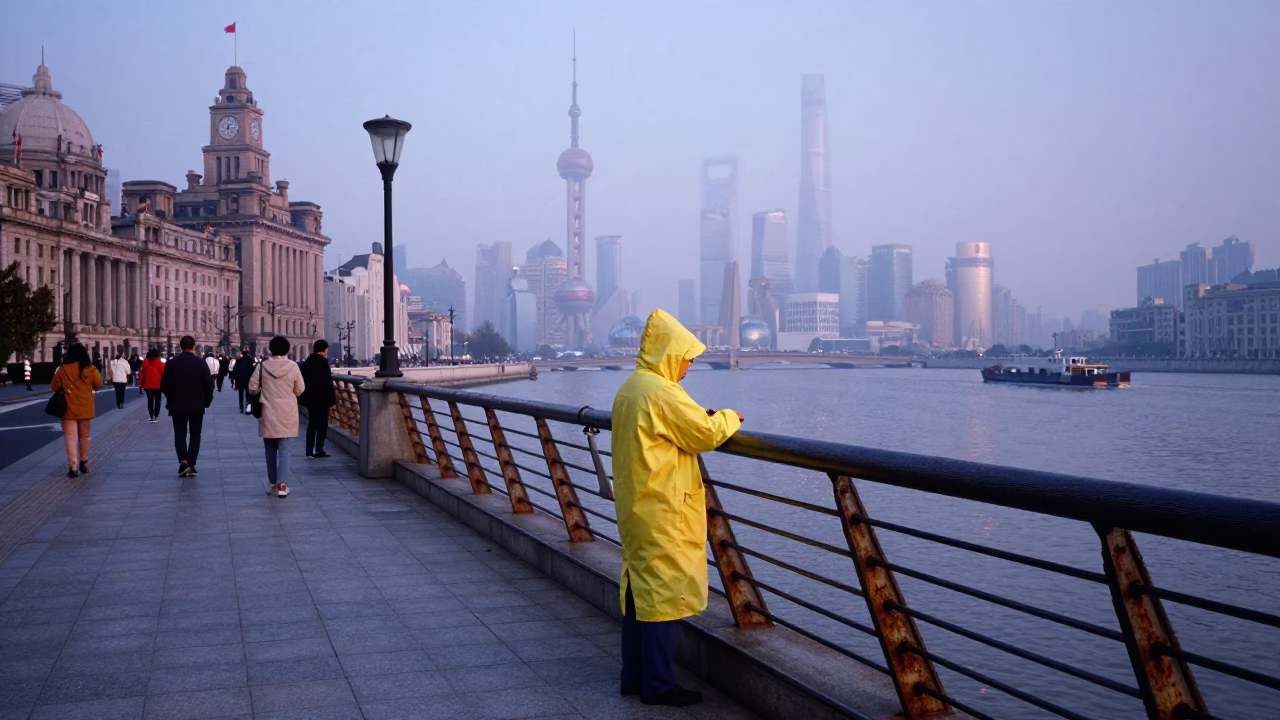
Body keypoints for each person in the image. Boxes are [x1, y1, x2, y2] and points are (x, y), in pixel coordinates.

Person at [610, 310, 743, 707]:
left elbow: (671, 426)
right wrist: (728, 418)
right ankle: (658, 684)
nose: (688, 366)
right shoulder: (661, 392)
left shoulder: (632, 388)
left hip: (638, 505)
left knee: (640, 594)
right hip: (664, 508)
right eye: (686, 358)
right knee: (664, 600)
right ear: (669, 354)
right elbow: (703, 434)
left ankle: (633, 676)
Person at [250, 335, 305, 497]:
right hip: (287, 412)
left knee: (270, 450)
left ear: (271, 350)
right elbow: (300, 389)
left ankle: (273, 484)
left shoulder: (262, 366)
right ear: (287, 349)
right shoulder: (293, 366)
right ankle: (282, 486)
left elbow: (252, 387)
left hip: (268, 411)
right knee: (285, 451)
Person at [161, 335, 215, 477]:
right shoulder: (200, 363)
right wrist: (206, 401)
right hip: (197, 405)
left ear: (180, 346)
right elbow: (209, 385)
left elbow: (164, 385)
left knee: (180, 434)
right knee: (195, 435)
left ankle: (183, 461)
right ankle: (191, 463)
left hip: (177, 405)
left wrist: (171, 398)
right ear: (194, 346)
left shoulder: (172, 363)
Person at [49, 343, 103, 478]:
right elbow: (99, 384)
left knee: (70, 437)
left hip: (68, 408)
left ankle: (72, 467)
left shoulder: (63, 369)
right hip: (85, 407)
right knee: (84, 436)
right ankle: (83, 462)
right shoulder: (90, 369)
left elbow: (54, 386)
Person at [299, 339, 337, 459]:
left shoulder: (307, 363)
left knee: (312, 423)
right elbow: (328, 383)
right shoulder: (323, 363)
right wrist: (332, 401)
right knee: (322, 424)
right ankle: (319, 449)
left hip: (310, 398)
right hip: (322, 398)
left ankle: (309, 450)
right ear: (324, 350)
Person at [138, 349, 165, 422]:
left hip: (148, 385)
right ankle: (156, 416)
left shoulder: (145, 363)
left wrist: (140, 386)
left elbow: (142, 375)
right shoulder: (161, 364)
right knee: (158, 401)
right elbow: (164, 375)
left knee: (150, 401)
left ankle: (151, 416)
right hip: (158, 386)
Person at [232, 347, 256, 414]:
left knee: (240, 393)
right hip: (248, 380)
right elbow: (254, 371)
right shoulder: (251, 361)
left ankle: (241, 406)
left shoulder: (238, 361)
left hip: (240, 379)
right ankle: (248, 405)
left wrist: (234, 378)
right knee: (248, 394)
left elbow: (235, 370)